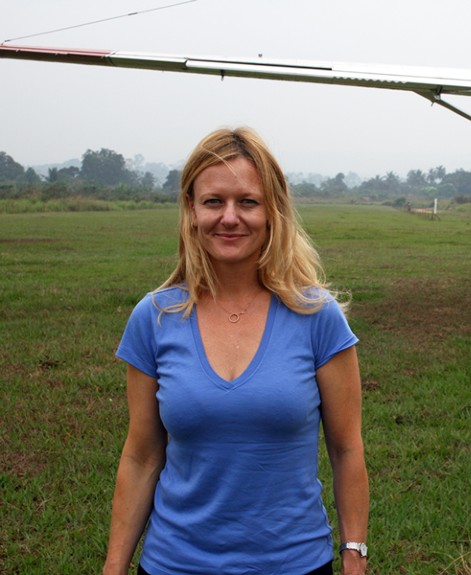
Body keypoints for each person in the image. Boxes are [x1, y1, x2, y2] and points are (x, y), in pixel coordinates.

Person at [103, 127, 369, 575]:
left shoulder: (317, 317)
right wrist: (114, 566)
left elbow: (346, 449)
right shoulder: (154, 318)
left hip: (294, 563)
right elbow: (142, 454)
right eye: (213, 201)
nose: (230, 217)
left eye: (247, 201)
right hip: (174, 563)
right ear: (191, 209)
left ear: (272, 211)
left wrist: (354, 554)